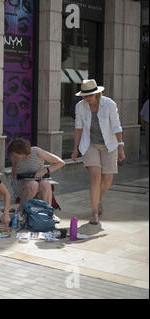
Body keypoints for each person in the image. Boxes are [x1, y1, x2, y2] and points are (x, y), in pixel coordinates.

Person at [71, 79, 125, 225]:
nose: (87, 99)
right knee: (96, 177)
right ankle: (94, 212)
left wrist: (121, 147)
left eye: (89, 96)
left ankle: (98, 198)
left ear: (97, 94)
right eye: (84, 96)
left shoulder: (109, 104)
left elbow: (116, 126)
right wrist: (75, 148)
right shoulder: (80, 107)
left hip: (109, 145)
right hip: (90, 145)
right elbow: (78, 128)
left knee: (107, 180)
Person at [8, 138, 65, 218]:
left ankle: (48, 212)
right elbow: (14, 169)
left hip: (39, 181)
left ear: (22, 152)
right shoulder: (14, 156)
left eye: (16, 154)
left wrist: (45, 171)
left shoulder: (37, 152)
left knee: (45, 183)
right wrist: (13, 182)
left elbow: (60, 162)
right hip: (22, 183)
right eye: (13, 155)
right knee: (32, 184)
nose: (14, 156)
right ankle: (20, 211)